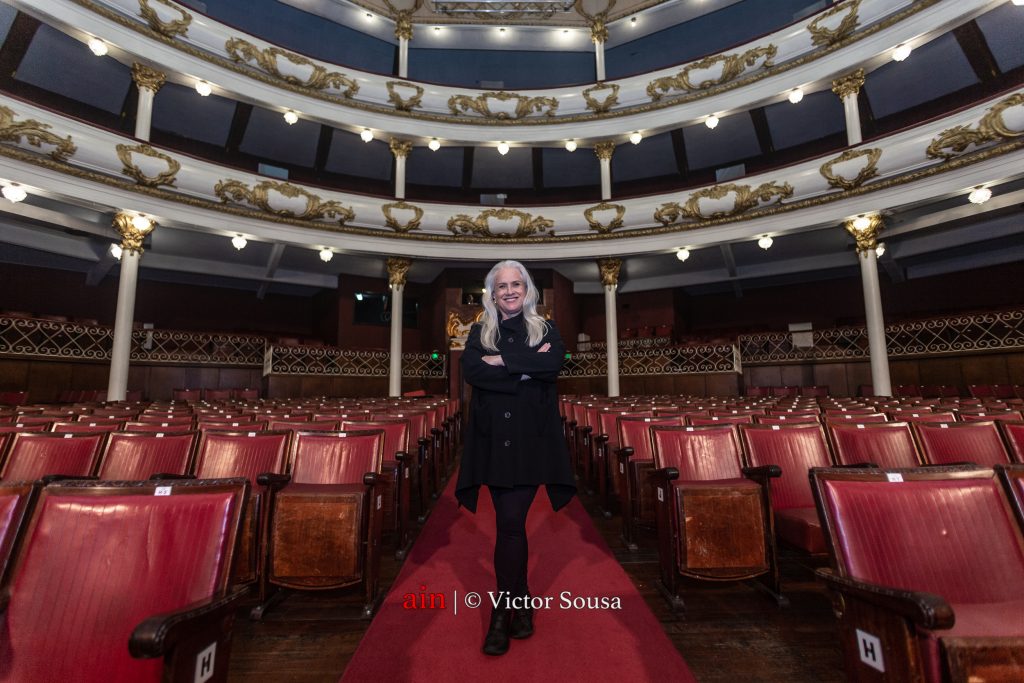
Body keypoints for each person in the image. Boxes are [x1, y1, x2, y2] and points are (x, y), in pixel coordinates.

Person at [455, 259, 576, 657]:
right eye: (501, 286)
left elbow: (552, 364)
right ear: (492, 294)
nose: (509, 291)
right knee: (510, 526)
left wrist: (503, 361)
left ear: (527, 290)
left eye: (516, 284)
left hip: (529, 443)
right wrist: (526, 366)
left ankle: (501, 612)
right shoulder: (479, 332)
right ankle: (519, 603)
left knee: (510, 524)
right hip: (493, 443)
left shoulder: (547, 330)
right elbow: (472, 371)